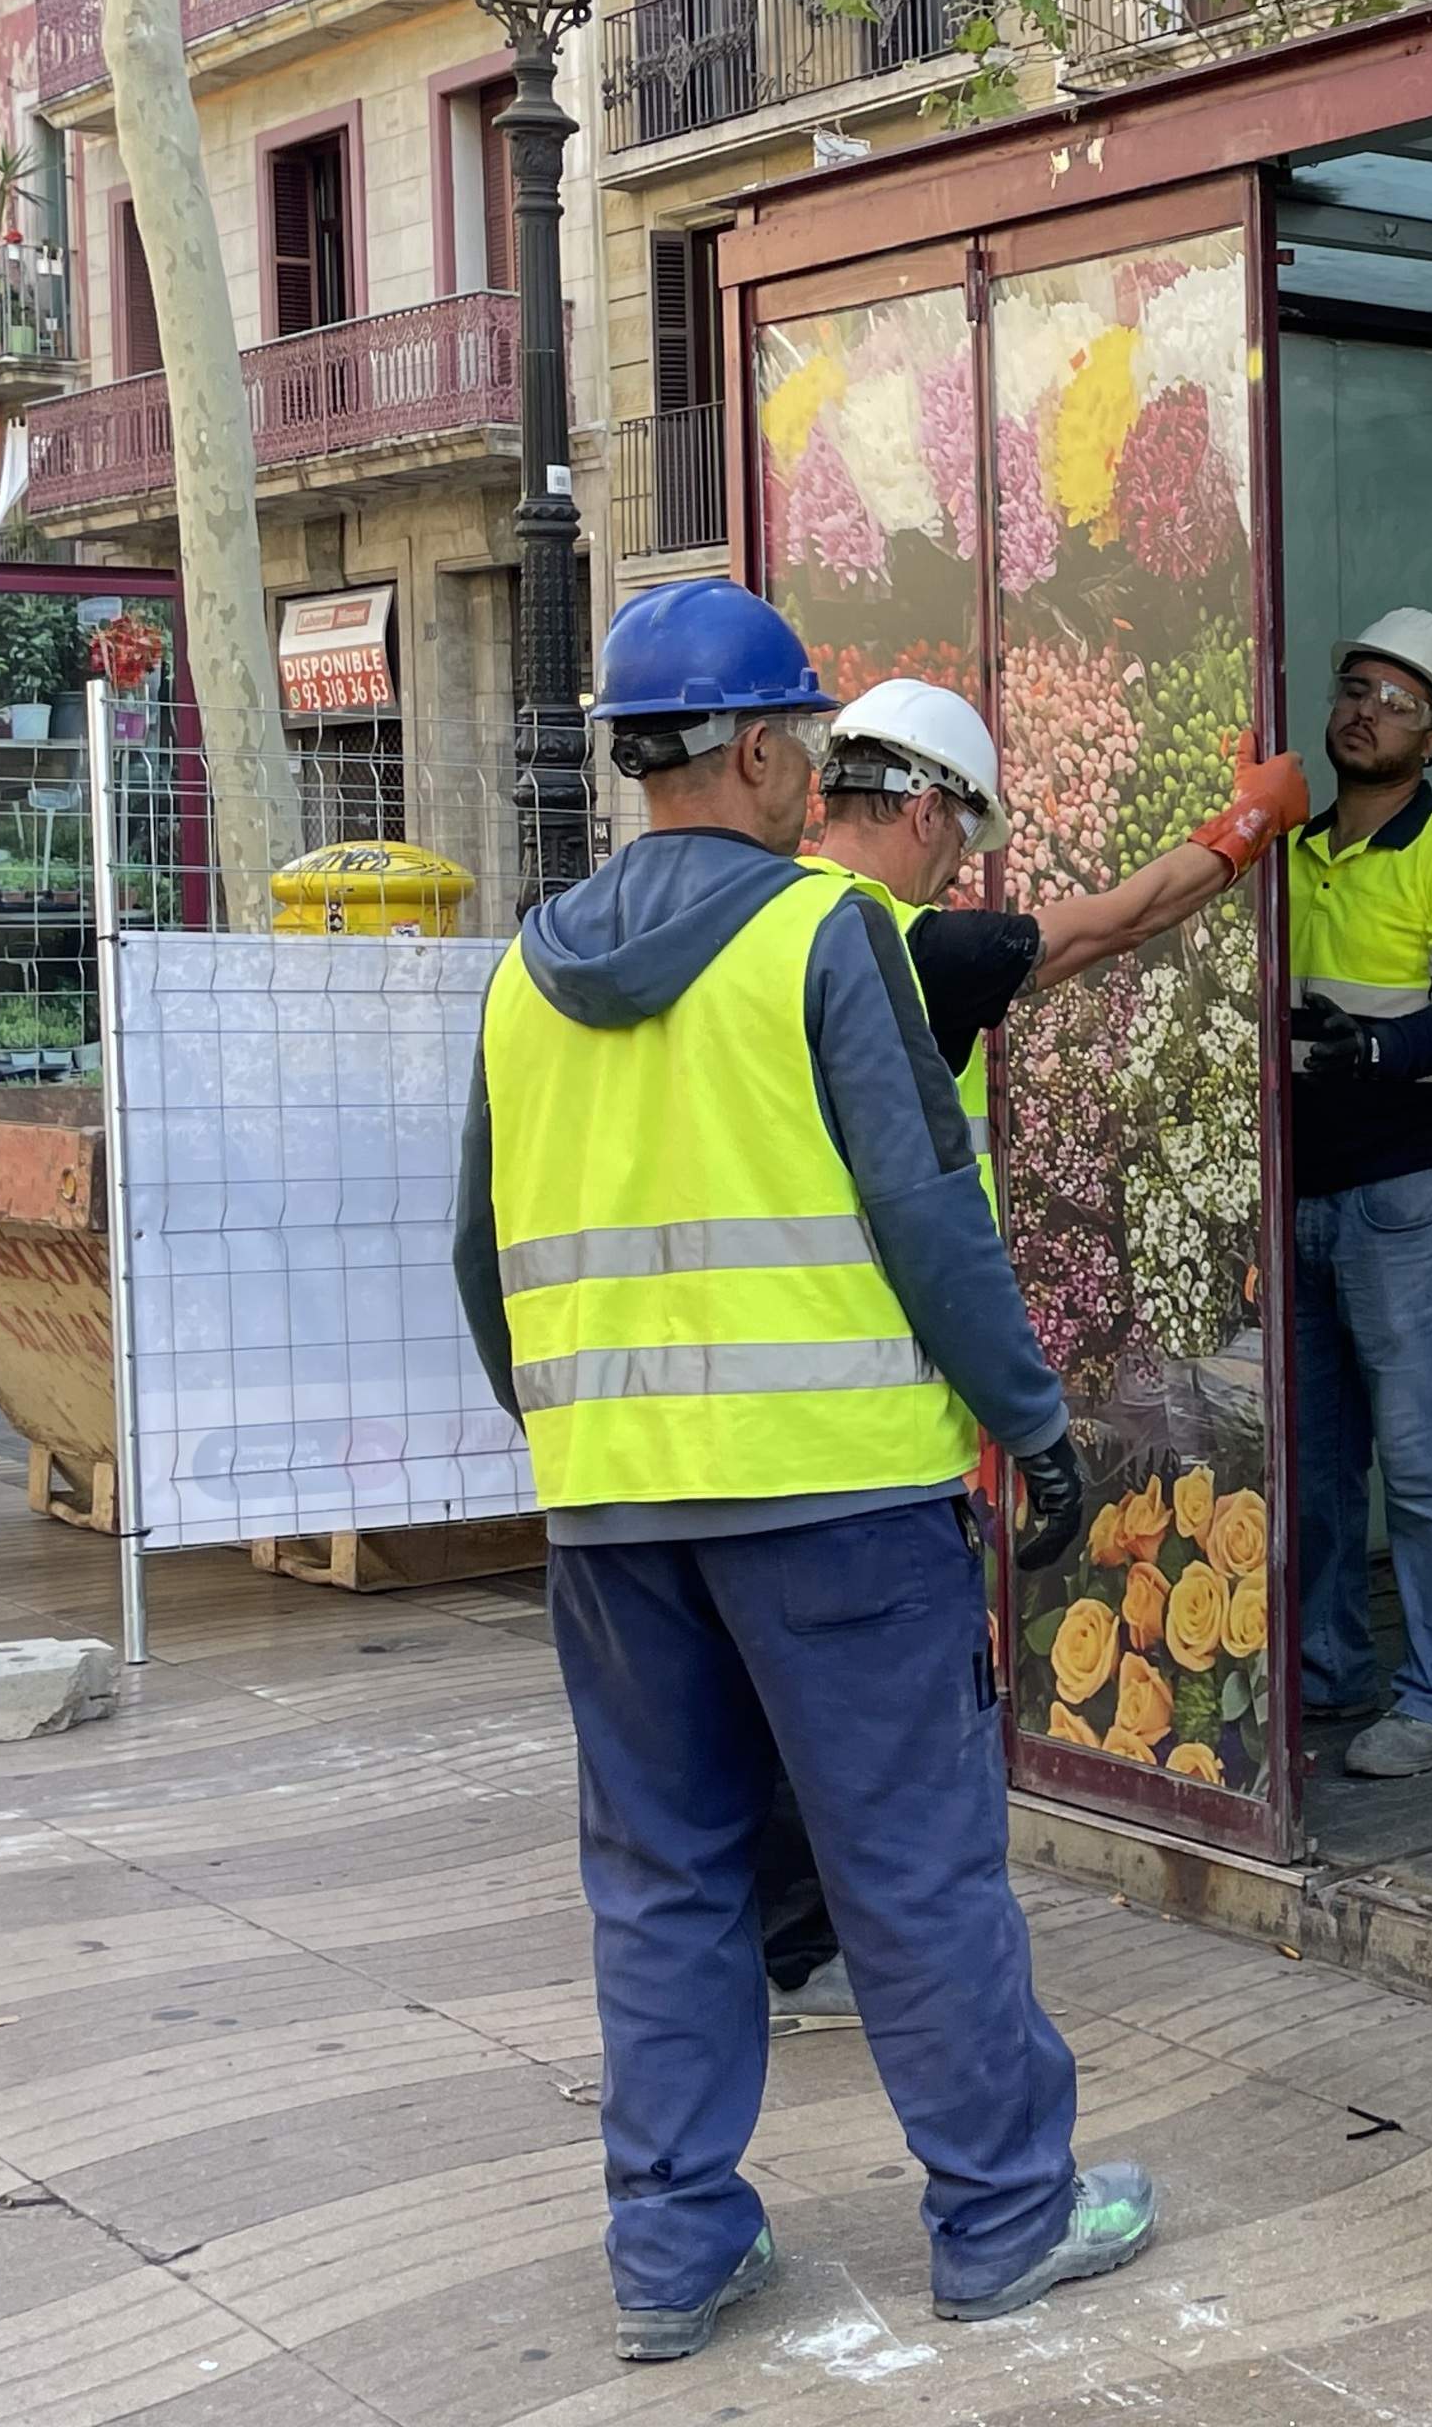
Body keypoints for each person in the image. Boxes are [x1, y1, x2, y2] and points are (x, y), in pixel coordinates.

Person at [451, 579, 1157, 2360]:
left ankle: (674, 2250)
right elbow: (931, 1218)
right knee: (912, 1864)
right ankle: (1003, 2213)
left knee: (665, 1875)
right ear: (759, 750)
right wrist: (1035, 1425)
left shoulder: (529, 970)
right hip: (839, 1503)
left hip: (615, 1516)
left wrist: (581, 1444)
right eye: (804, 740)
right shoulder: (818, 939)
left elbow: (480, 1256)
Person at [751, 675, 1307, 2022]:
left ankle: (772, 1950)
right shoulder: (904, 951)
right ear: (929, 810)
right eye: (964, 836)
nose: (961, 866)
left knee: (764, 1720)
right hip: (863, 1412)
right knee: (893, 1727)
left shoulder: (762, 933)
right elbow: (1117, 923)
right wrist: (1246, 825)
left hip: (721, 1423)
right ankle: (869, 1982)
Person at [1287, 608, 1432, 1781]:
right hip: (1308, 1197)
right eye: (1357, 688)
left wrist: (1370, 1053)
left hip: (1415, 1197)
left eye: (1396, 700)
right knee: (1315, 1464)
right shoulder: (1295, 850)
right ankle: (1328, 1676)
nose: (1367, 709)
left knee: (1431, 1463)